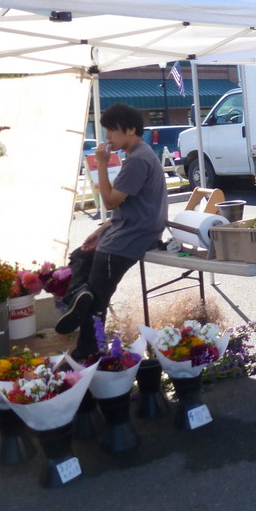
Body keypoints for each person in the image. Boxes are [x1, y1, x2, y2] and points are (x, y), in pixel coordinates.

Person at [56, 103, 168, 359]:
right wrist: (103, 227)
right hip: (128, 232)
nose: (107, 138)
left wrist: (102, 164)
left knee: (97, 304)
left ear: (130, 130)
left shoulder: (138, 159)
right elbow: (131, 206)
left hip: (127, 240)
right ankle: (79, 296)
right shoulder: (141, 155)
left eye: (111, 131)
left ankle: (87, 350)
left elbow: (109, 201)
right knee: (80, 256)